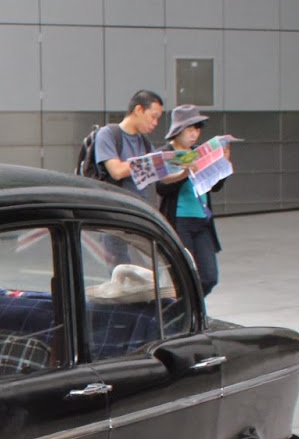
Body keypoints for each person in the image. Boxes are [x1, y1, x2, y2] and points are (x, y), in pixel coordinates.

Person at [158, 104, 228, 297]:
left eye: (197, 129)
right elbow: (162, 188)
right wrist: (184, 173)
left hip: (202, 220)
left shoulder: (200, 152)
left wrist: (222, 166)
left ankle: (190, 307)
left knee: (209, 276)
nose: (194, 134)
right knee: (185, 274)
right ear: (178, 130)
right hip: (179, 220)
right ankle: (187, 311)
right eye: (190, 129)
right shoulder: (167, 153)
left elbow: (215, 186)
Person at [94, 90, 182, 206]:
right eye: (153, 117)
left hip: (138, 208)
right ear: (139, 110)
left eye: (158, 119)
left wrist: (185, 172)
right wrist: (151, 161)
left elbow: (162, 176)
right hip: (114, 208)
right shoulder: (107, 134)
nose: (155, 123)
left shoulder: (144, 142)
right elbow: (117, 171)